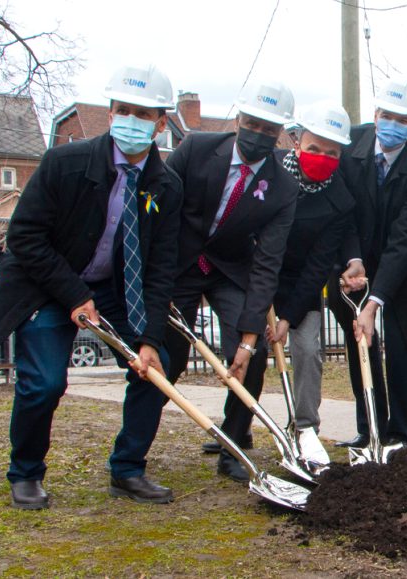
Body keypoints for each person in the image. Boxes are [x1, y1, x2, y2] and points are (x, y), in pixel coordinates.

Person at [0, 64, 183, 508]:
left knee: (155, 368)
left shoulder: (166, 186)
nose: (130, 120)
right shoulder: (64, 164)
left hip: (114, 287)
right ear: (110, 114)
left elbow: (161, 267)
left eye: (143, 113)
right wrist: (74, 295)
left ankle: (128, 469)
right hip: (48, 284)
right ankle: (26, 472)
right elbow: (25, 238)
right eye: (122, 110)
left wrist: (149, 338)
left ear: (161, 123)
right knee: (45, 383)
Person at [163, 80, 297, 483]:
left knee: (251, 355)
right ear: (239, 118)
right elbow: (161, 207)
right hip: (181, 265)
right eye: (253, 123)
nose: (258, 134)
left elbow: (268, 263)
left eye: (269, 129)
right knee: (165, 355)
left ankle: (234, 443)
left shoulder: (283, 188)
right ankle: (131, 455)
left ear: (279, 134)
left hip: (231, 270)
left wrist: (249, 336)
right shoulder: (195, 150)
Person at [329, 75, 407, 447]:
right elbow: (341, 211)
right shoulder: (350, 145)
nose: (392, 123)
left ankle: (398, 433)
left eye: (403, 119)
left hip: (400, 271)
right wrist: (353, 260)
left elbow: (405, 239)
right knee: (361, 345)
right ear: (375, 113)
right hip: (352, 265)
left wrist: (376, 300)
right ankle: (369, 426)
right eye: (387, 114)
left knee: (401, 350)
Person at [266, 101, 355, 442]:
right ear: (297, 141)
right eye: (314, 147)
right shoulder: (268, 174)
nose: (321, 156)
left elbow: (319, 265)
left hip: (301, 287)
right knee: (250, 350)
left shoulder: (340, 200)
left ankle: (305, 427)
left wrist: (288, 316)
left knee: (306, 349)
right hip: (258, 279)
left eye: (331, 152)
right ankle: (237, 424)